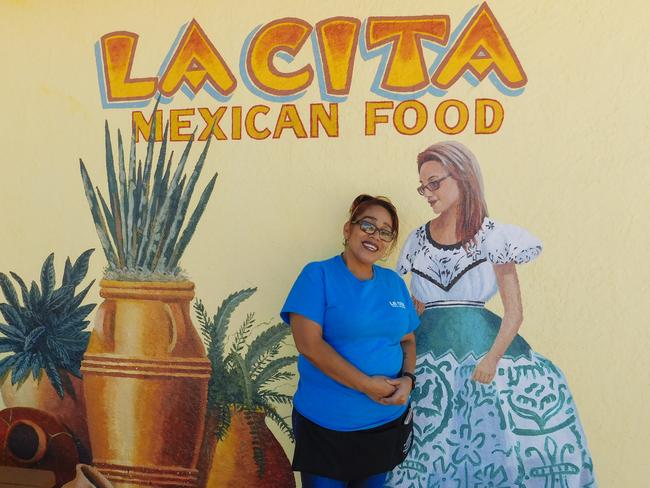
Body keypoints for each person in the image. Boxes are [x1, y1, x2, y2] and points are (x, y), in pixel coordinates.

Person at [385, 142, 596, 487]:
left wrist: (492, 359)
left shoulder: (494, 236)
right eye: (423, 186)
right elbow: (410, 305)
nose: (428, 193)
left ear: (463, 176)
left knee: (491, 443)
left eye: (434, 183)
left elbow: (514, 313)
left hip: (484, 353)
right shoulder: (416, 240)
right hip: (426, 359)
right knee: (427, 444)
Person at [281, 194, 420, 488]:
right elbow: (309, 344)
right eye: (368, 225)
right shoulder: (317, 275)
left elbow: (408, 340)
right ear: (348, 229)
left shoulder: (393, 283)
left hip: (383, 424)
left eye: (385, 232)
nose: (375, 236)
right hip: (327, 426)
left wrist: (408, 379)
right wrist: (367, 385)